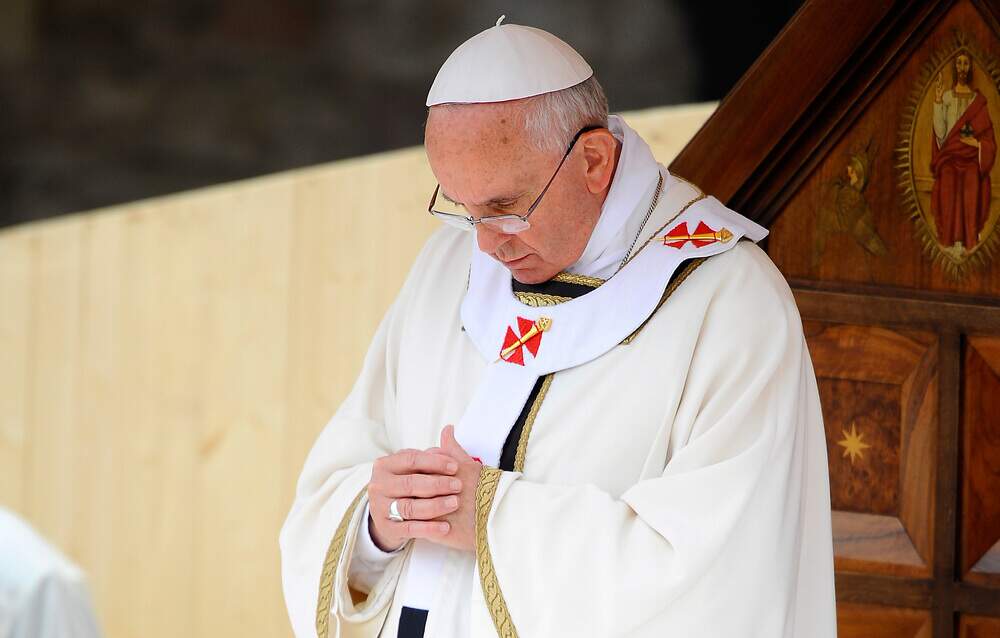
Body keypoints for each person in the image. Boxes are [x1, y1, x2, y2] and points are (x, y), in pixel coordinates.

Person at [280, 17, 836, 638]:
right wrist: (376, 524)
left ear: (594, 160)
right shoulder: (447, 267)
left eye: (505, 208)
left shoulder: (728, 303)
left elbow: (720, 572)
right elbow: (339, 477)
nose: (485, 244)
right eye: (462, 208)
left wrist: (491, 517)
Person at [931, 51, 996, 250]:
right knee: (947, 180)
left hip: (971, 160)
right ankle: (949, 240)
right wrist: (938, 101)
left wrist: (976, 144)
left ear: (970, 68)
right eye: (958, 63)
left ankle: (969, 240)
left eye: (965, 63)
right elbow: (941, 134)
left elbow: (989, 140)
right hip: (950, 158)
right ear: (955, 67)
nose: (962, 68)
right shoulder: (947, 97)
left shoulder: (978, 101)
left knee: (972, 181)